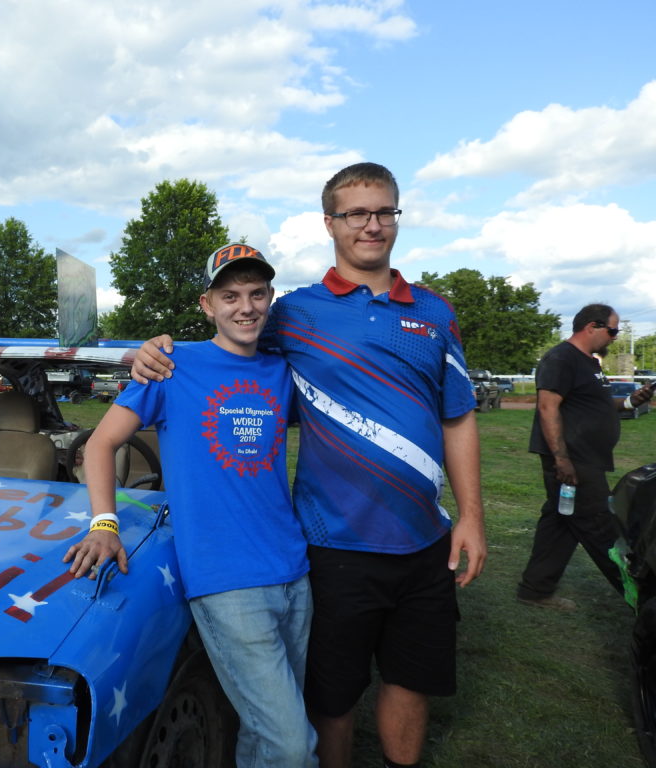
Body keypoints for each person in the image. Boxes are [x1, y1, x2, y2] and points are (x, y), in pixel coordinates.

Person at [132, 162, 486, 768]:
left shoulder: (434, 312)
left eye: (384, 212)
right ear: (331, 223)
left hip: (425, 540)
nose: (371, 225)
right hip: (333, 543)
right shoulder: (294, 312)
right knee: (332, 695)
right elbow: (225, 345)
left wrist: (471, 518)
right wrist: (151, 349)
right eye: (356, 213)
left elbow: (457, 418)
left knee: (411, 679)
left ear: (396, 217)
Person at [64, 244, 318, 768]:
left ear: (270, 299)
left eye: (256, 294)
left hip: (294, 569)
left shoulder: (281, 371)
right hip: (225, 579)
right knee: (293, 746)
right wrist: (104, 523)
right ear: (207, 305)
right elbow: (99, 444)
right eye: (230, 296)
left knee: (268, 728)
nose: (245, 307)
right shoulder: (170, 365)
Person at [517, 304, 655, 609]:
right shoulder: (561, 358)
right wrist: (561, 459)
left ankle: (535, 590)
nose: (615, 338)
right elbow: (547, 408)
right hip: (574, 461)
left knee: (560, 525)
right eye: (613, 331)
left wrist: (632, 401)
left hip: (587, 458)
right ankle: (644, 602)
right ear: (591, 326)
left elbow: (598, 405)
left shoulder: (589, 363)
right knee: (602, 529)